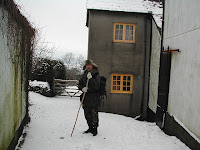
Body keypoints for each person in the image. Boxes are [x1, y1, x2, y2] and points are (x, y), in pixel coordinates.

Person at [78, 59, 101, 136]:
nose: (88, 66)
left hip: (94, 98)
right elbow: (80, 84)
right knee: (87, 114)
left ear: (92, 66)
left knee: (94, 114)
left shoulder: (96, 74)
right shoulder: (84, 74)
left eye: (90, 65)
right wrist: (82, 88)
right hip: (86, 98)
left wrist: (90, 79)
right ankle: (90, 127)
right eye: (87, 65)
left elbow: (97, 86)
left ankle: (95, 129)